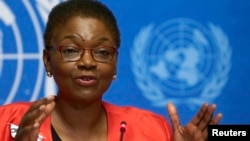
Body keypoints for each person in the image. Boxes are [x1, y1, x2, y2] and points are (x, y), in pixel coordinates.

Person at [0, 0, 222, 140]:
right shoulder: (6, 122)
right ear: (48, 60)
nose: (87, 62)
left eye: (103, 52)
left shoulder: (152, 131)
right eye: (70, 50)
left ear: (115, 63)